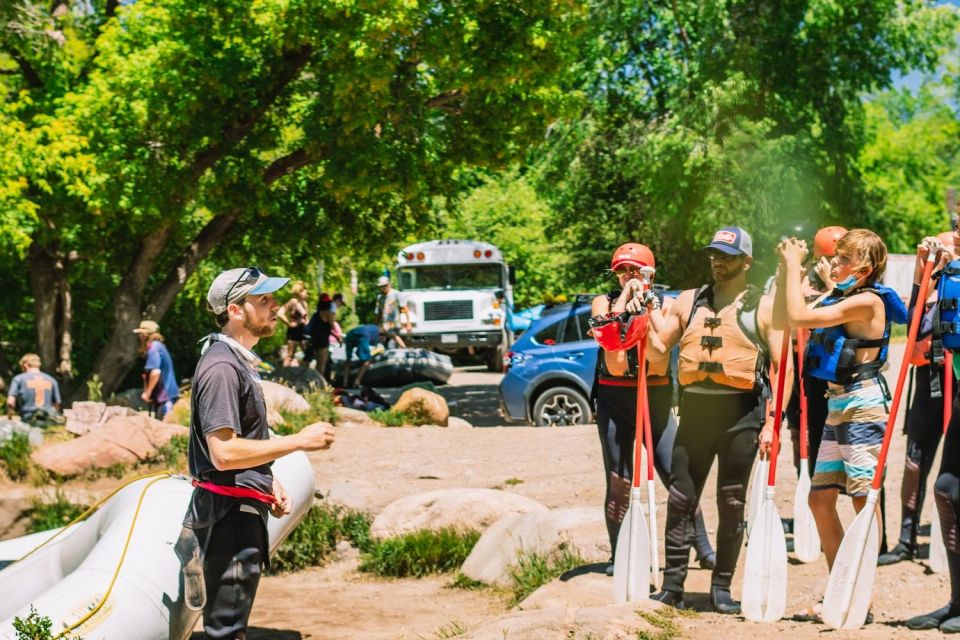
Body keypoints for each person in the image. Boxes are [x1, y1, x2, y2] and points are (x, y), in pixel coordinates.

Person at [180, 266, 336, 640]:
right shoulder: (222, 366)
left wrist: (267, 478)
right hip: (228, 516)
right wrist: (299, 440)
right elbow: (223, 452)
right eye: (263, 300)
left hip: (235, 509)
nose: (275, 306)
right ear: (236, 310)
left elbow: (236, 444)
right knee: (227, 631)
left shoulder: (234, 361)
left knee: (230, 628)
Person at [648, 227, 789, 613]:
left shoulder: (764, 306)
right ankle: (672, 587)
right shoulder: (689, 301)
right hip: (696, 412)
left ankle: (722, 587)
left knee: (731, 501)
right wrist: (640, 320)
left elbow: (783, 367)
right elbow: (659, 350)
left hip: (742, 414)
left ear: (746, 261)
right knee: (680, 499)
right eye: (714, 255)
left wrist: (773, 421)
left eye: (727, 256)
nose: (718, 262)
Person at [778, 229, 906, 620]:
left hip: (862, 404)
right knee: (819, 500)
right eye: (837, 257)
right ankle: (841, 589)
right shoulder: (842, 296)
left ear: (864, 269)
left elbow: (798, 316)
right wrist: (793, 275)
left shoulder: (867, 301)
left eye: (844, 259)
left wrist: (793, 264)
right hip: (838, 404)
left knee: (862, 499)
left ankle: (860, 595)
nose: (835, 263)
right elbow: (789, 315)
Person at [590, 243, 716, 579]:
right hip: (615, 399)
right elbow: (606, 335)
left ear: (650, 273)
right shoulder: (604, 301)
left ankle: (703, 547)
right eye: (622, 271)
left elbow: (664, 344)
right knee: (618, 480)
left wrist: (647, 308)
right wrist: (623, 302)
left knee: (677, 474)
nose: (628, 277)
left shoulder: (666, 304)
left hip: (655, 398)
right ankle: (619, 552)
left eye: (635, 270)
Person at [881, 232, 957, 566]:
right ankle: (906, 539)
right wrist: (924, 271)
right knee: (914, 460)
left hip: (956, 377)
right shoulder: (932, 281)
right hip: (929, 378)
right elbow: (913, 321)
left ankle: (951, 540)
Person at [133, 320, 180, 420]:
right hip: (164, 396)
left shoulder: (154, 347)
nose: (139, 337)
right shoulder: (158, 346)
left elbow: (155, 373)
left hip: (165, 396)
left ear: (146, 334)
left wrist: (147, 393)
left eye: (141, 334)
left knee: (165, 425)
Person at [6, 353, 62, 426]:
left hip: (28, 418)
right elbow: (57, 404)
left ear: (25, 365)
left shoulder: (18, 379)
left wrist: (10, 416)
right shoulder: (52, 380)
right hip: (48, 419)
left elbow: (10, 402)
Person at [277, 281, 309, 366]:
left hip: (303, 330)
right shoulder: (293, 301)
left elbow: (307, 319)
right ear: (299, 292)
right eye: (305, 292)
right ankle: (284, 373)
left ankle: (305, 372)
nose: (307, 294)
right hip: (294, 330)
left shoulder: (305, 304)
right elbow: (280, 313)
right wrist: (288, 324)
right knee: (290, 355)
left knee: (308, 354)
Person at [305, 293, 336, 378]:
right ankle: (319, 384)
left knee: (317, 364)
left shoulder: (316, 314)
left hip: (315, 341)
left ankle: (315, 382)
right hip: (323, 342)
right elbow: (332, 326)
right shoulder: (329, 313)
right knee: (321, 366)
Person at [375, 275, 406, 348]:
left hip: (395, 323)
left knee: (394, 338)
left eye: (385, 285)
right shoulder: (380, 297)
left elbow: (404, 308)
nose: (383, 288)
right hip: (385, 324)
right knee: (386, 340)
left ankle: (404, 348)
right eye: (381, 286)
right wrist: (376, 325)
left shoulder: (396, 294)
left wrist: (407, 322)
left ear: (389, 284)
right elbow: (379, 312)